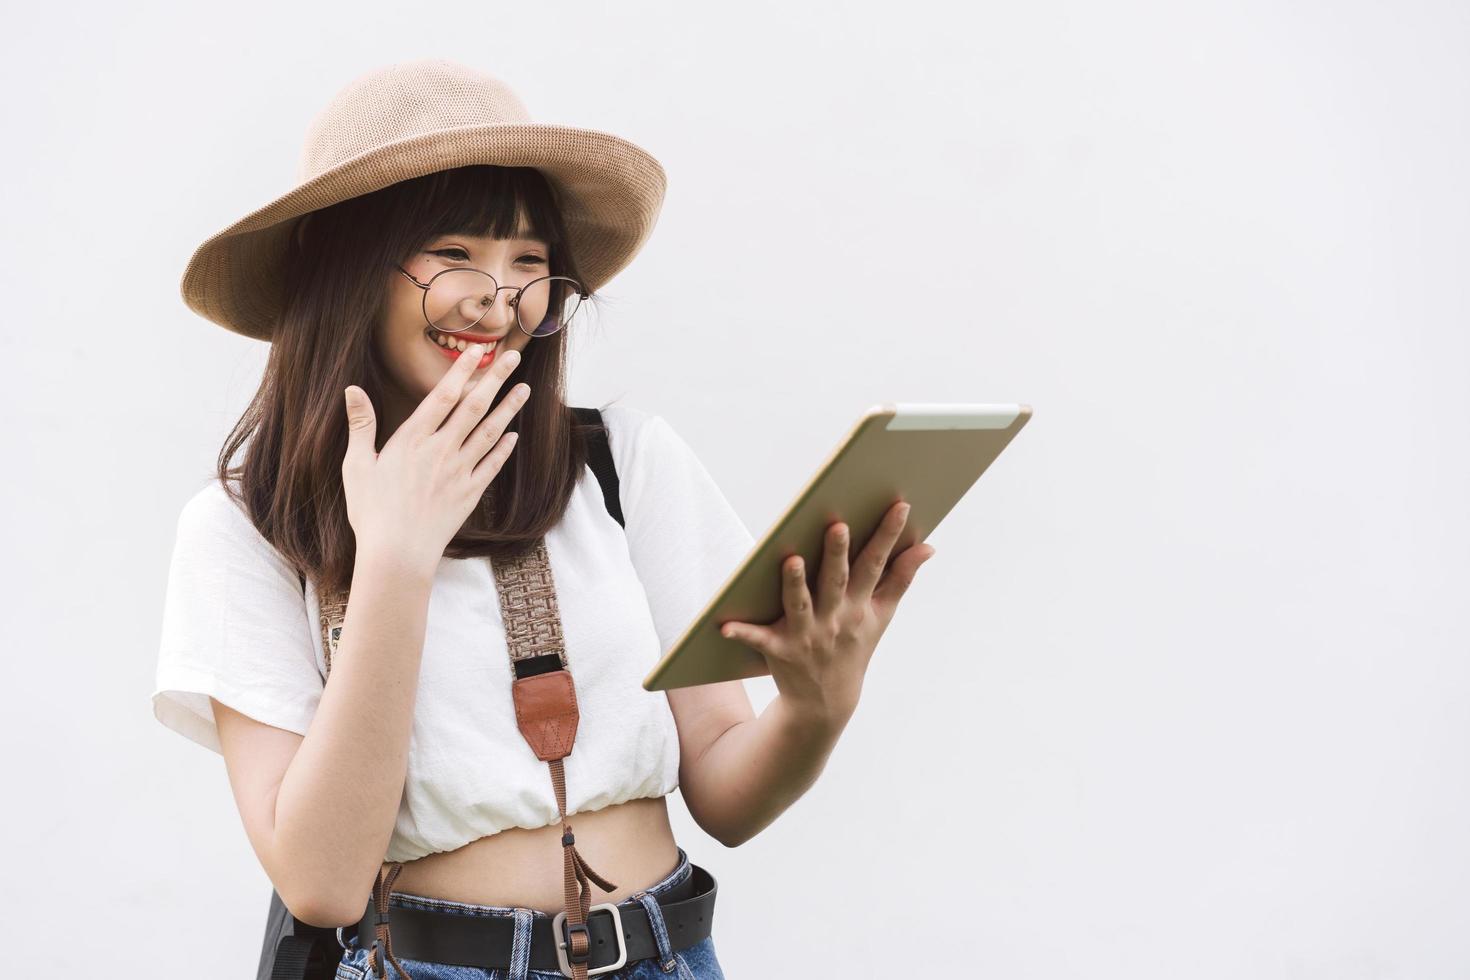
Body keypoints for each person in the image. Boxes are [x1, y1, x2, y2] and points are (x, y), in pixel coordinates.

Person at [152, 59, 935, 980]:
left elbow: (725, 788)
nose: (499, 300)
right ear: (347, 268)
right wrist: (396, 560)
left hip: (664, 957)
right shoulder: (249, 523)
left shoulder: (620, 462)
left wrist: (817, 702)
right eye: (454, 255)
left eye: (529, 262)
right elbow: (321, 882)